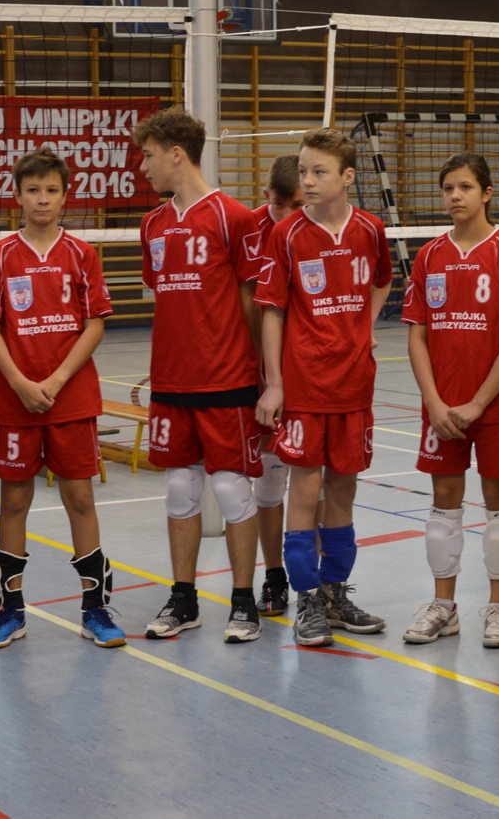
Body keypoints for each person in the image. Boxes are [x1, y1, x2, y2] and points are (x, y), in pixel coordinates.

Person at [0, 147, 123, 649]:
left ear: (65, 196)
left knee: (80, 498)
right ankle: (9, 612)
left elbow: (94, 324)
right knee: (14, 500)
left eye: (51, 190)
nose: (42, 199)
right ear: (17, 195)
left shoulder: (81, 253)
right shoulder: (0, 254)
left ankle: (95, 609)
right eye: (33, 190)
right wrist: (18, 382)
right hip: (16, 401)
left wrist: (56, 381)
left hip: (71, 398)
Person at [136, 108, 269, 644]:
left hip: (227, 379)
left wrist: (261, 374)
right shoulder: (152, 224)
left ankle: (243, 603)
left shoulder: (234, 217)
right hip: (172, 381)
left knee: (233, 491)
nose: (142, 167)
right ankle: (184, 599)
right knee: (178, 489)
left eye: (148, 155)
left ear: (176, 154)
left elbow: (251, 300)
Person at [255, 129, 393, 647]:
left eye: (319, 172)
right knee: (305, 492)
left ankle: (335, 594)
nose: (308, 181)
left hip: (354, 384)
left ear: (347, 177)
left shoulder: (370, 229)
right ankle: (307, 600)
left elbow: (383, 280)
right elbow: (272, 310)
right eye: (303, 171)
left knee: (344, 491)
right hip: (306, 385)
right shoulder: (287, 234)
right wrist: (274, 385)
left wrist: (365, 327)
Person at [400, 153, 499, 649]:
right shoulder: (429, 255)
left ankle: (497, 609)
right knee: (443, 505)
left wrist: (478, 403)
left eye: (465, 187)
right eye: (447, 188)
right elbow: (416, 335)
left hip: (495, 408)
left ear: (487, 193)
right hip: (443, 408)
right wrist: (434, 403)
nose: (455, 196)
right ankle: (444, 607)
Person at [251, 154, 304, 616]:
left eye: (297, 205)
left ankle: (317, 584)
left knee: (314, 485)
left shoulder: (321, 229)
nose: (288, 214)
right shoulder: (247, 230)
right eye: (279, 204)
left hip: (311, 376)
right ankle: (273, 577)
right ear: (266, 194)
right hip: (258, 377)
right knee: (269, 483)